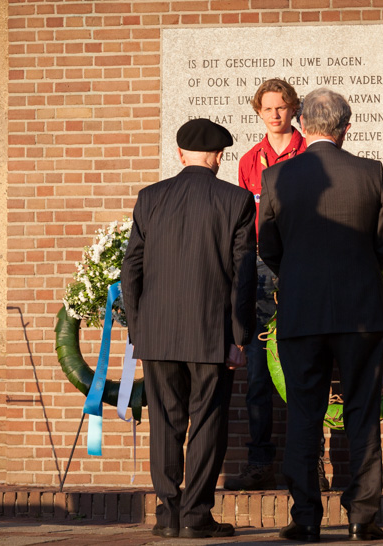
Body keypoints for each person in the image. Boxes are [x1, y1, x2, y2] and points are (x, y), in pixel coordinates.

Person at [258, 88, 383, 542]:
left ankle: (306, 518)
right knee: (362, 411)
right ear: (345, 129)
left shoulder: (277, 177)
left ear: (304, 125)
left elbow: (269, 247)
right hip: (360, 311)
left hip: (301, 311)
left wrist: (298, 277)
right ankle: (362, 517)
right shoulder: (370, 172)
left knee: (303, 414)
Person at [121, 118, 257, 539]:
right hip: (211, 333)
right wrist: (239, 337)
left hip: (158, 333)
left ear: (179, 155)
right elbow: (244, 274)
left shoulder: (150, 198)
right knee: (208, 423)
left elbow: (131, 269)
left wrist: (139, 331)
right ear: (219, 157)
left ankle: (167, 515)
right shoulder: (236, 200)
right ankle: (196, 515)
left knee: (164, 422)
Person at [227, 78, 332, 492]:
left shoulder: (311, 154)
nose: (275, 114)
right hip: (257, 270)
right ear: (258, 113)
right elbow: (242, 221)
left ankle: (312, 463)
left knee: (307, 368)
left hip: (301, 265)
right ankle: (259, 462)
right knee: (257, 376)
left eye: (282, 107)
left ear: (294, 111)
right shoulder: (250, 160)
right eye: (267, 108)